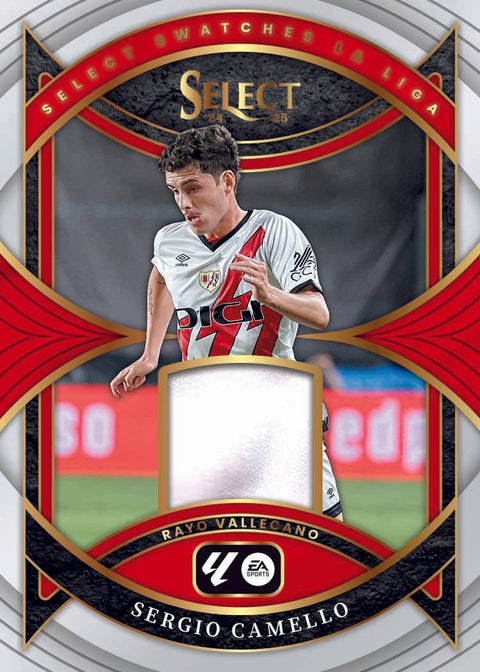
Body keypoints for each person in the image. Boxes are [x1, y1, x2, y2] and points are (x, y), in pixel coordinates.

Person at [110, 124, 342, 519]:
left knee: (324, 540)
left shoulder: (273, 232)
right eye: (175, 191)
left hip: (277, 418)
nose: (184, 202)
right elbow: (161, 276)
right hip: (208, 421)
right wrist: (150, 355)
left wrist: (271, 296)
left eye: (193, 188)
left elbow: (319, 313)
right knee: (215, 544)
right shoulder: (170, 241)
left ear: (228, 182)